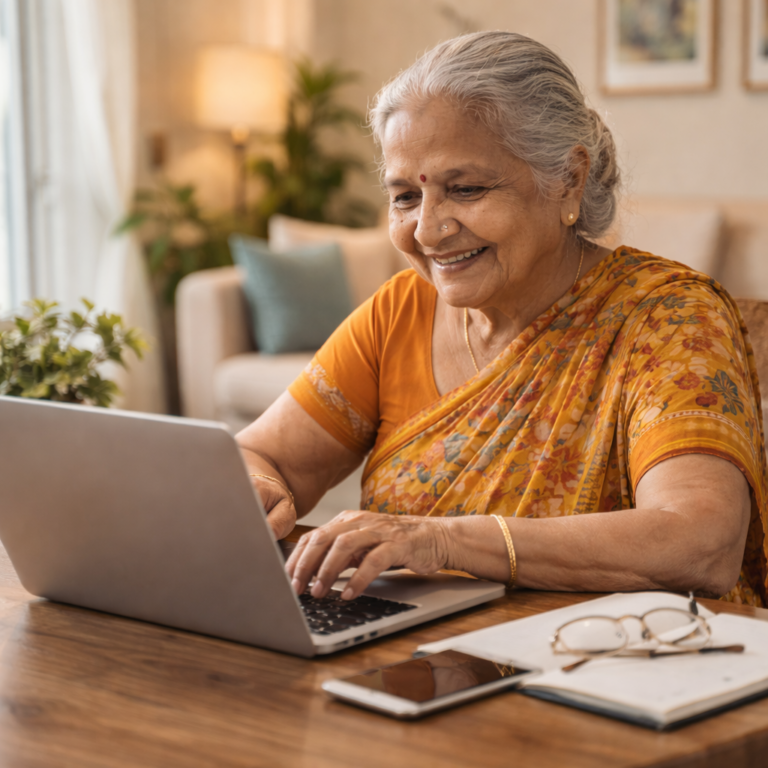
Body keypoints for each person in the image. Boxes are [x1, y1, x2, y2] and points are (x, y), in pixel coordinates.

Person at [237, 31, 768, 607]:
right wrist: (260, 488)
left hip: (614, 652)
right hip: (406, 651)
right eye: (405, 197)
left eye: (466, 189)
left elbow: (700, 542)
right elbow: (258, 456)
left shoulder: (667, 318)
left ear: (569, 180)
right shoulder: (400, 311)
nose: (427, 230)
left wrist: (443, 542)